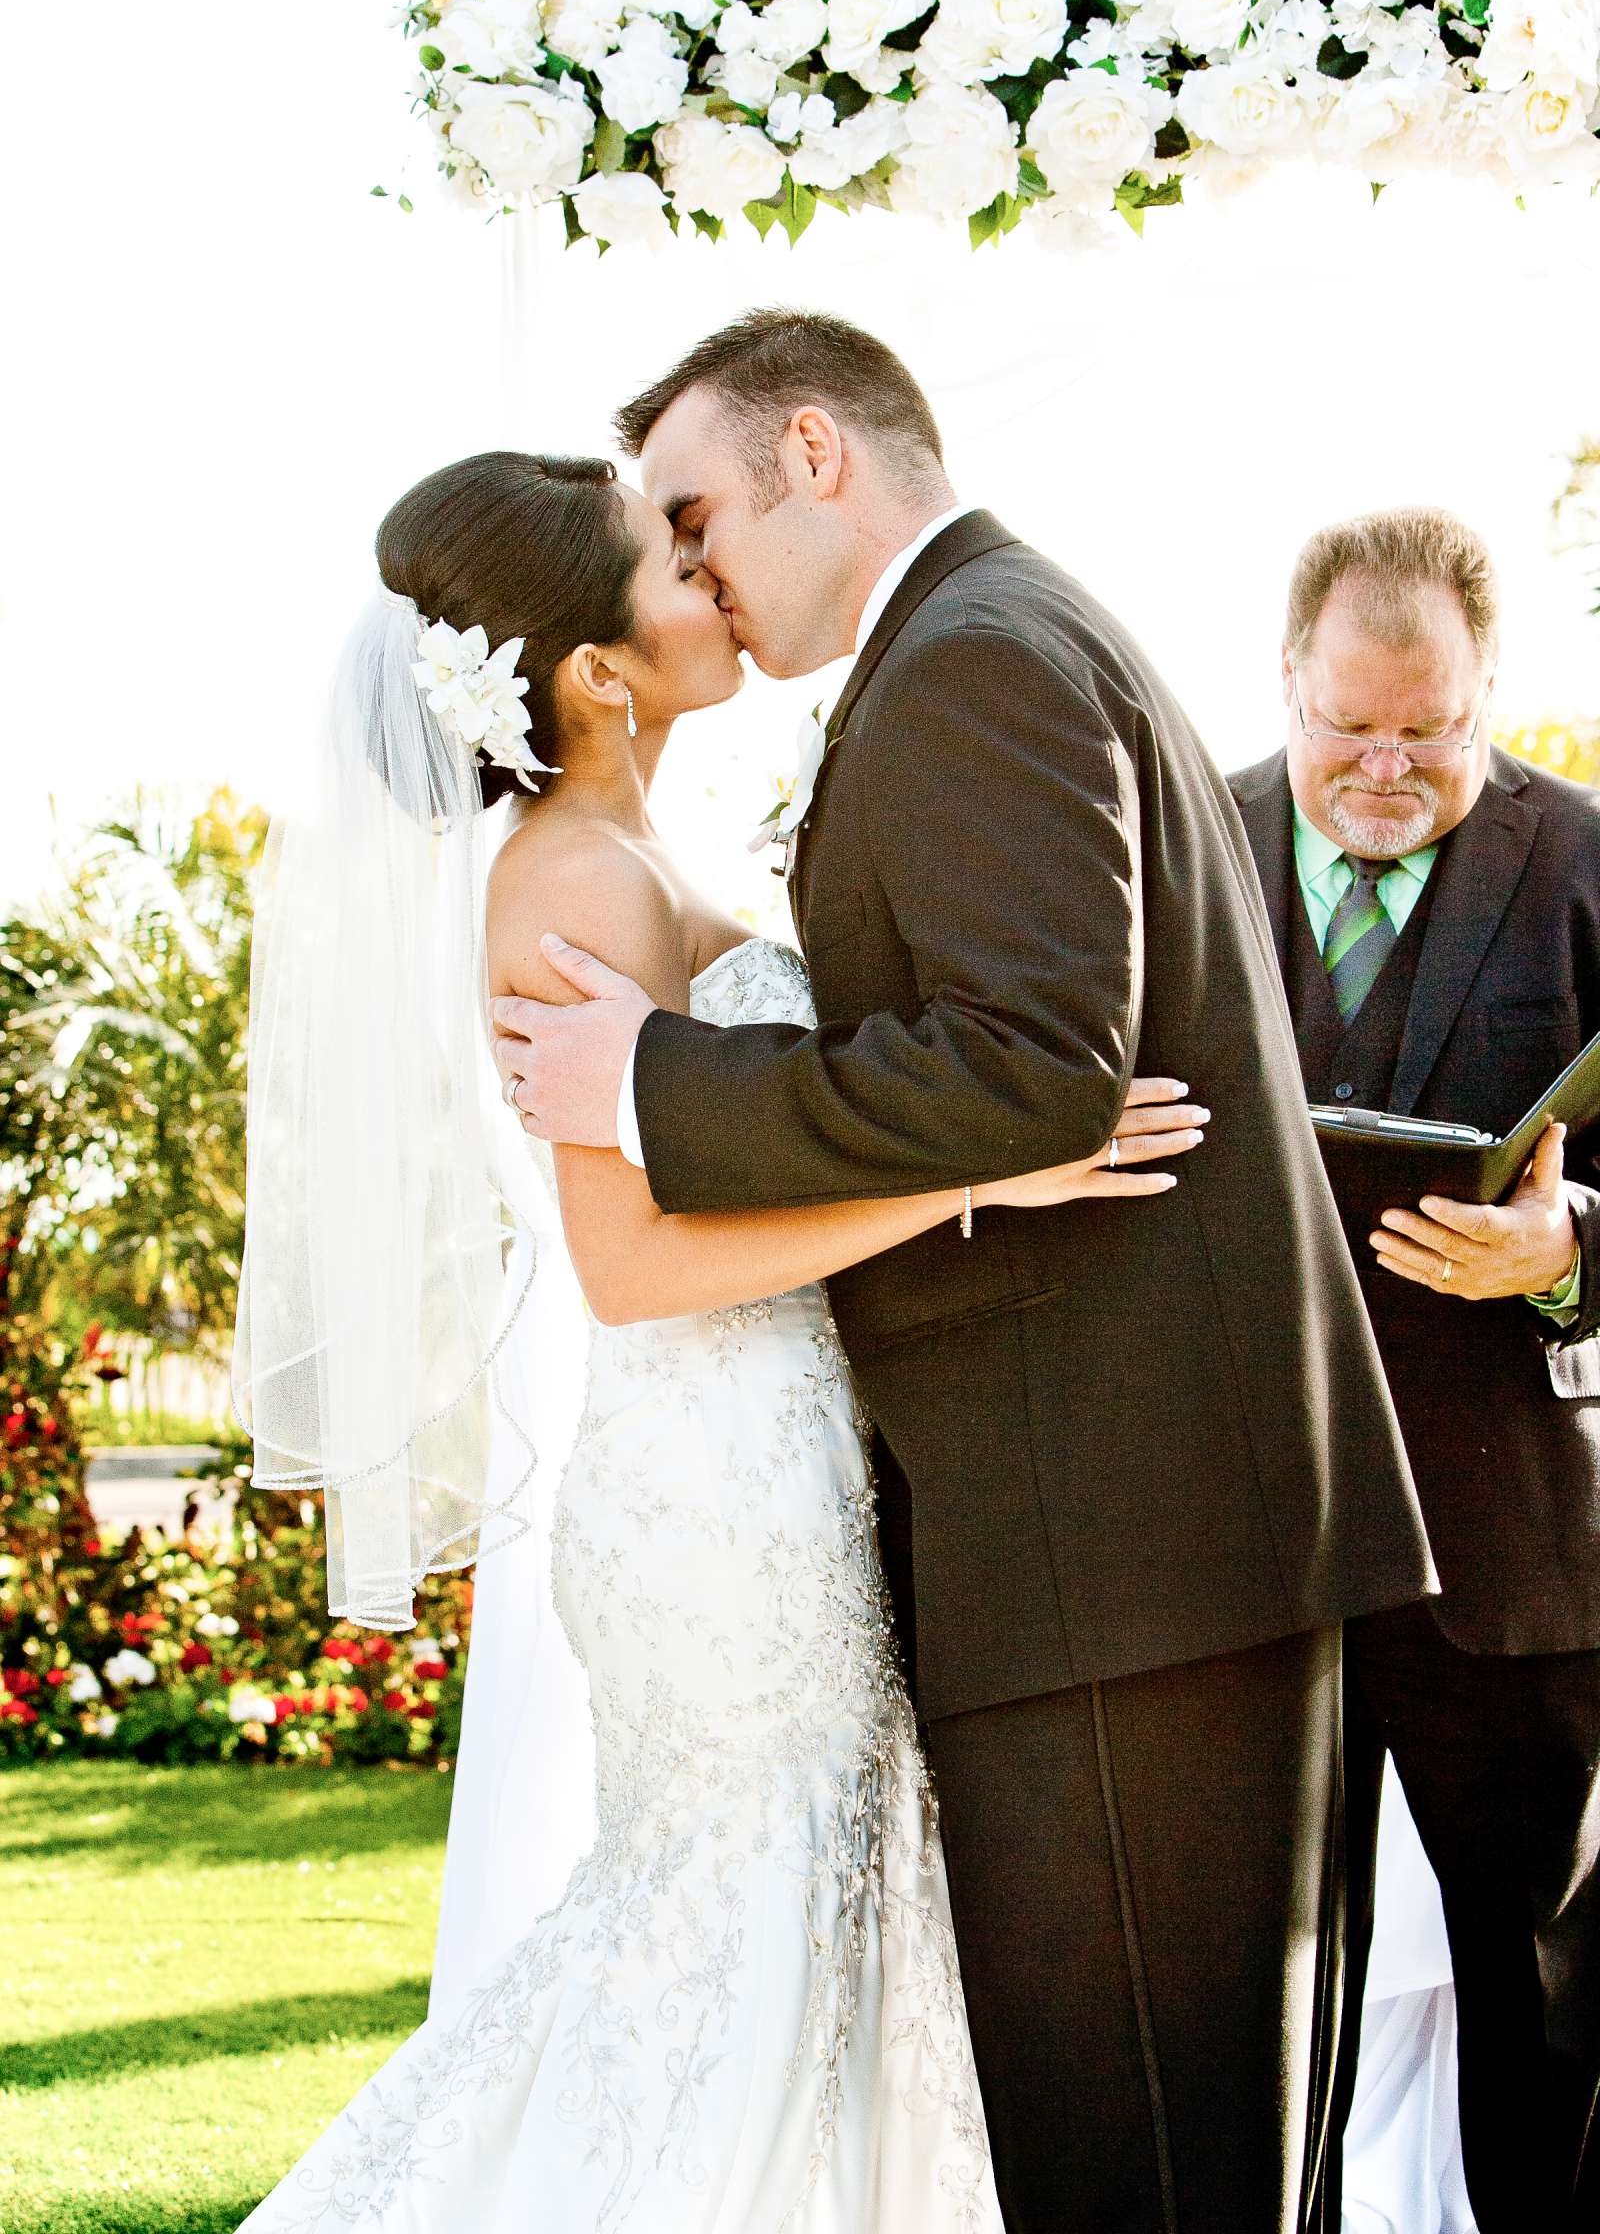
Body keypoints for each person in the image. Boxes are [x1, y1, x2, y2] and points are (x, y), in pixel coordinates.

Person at [490, 309, 1437, 2234]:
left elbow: (1031, 1066)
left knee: (1147, 2174)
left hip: (1113, 1553)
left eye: (698, 516)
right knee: (1184, 2165)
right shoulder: (997, 631)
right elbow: (1046, 1078)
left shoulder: (974, 662)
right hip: (1132, 1545)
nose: (696, 577)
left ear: (815, 453)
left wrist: (658, 1080)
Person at [231, 447, 1208, 2233]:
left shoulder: (624, 851)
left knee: (803, 1917)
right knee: (742, 1924)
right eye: (672, 559)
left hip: (781, 1458)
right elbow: (632, 1267)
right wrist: (993, 1175)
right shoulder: (573, 885)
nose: (714, 569)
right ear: (595, 673)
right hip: (715, 1501)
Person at [1227, 504, 1600, 2233]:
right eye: (1345, 724)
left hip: (1508, 1559)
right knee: (1237, 2014)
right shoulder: (1181, 852)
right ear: (1287, 678)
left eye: (1428, 730)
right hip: (1234, 1550)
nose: (1383, 763)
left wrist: (1571, 1247)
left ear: (1490, 692)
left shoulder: (1588, 863)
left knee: (1537, 2002)